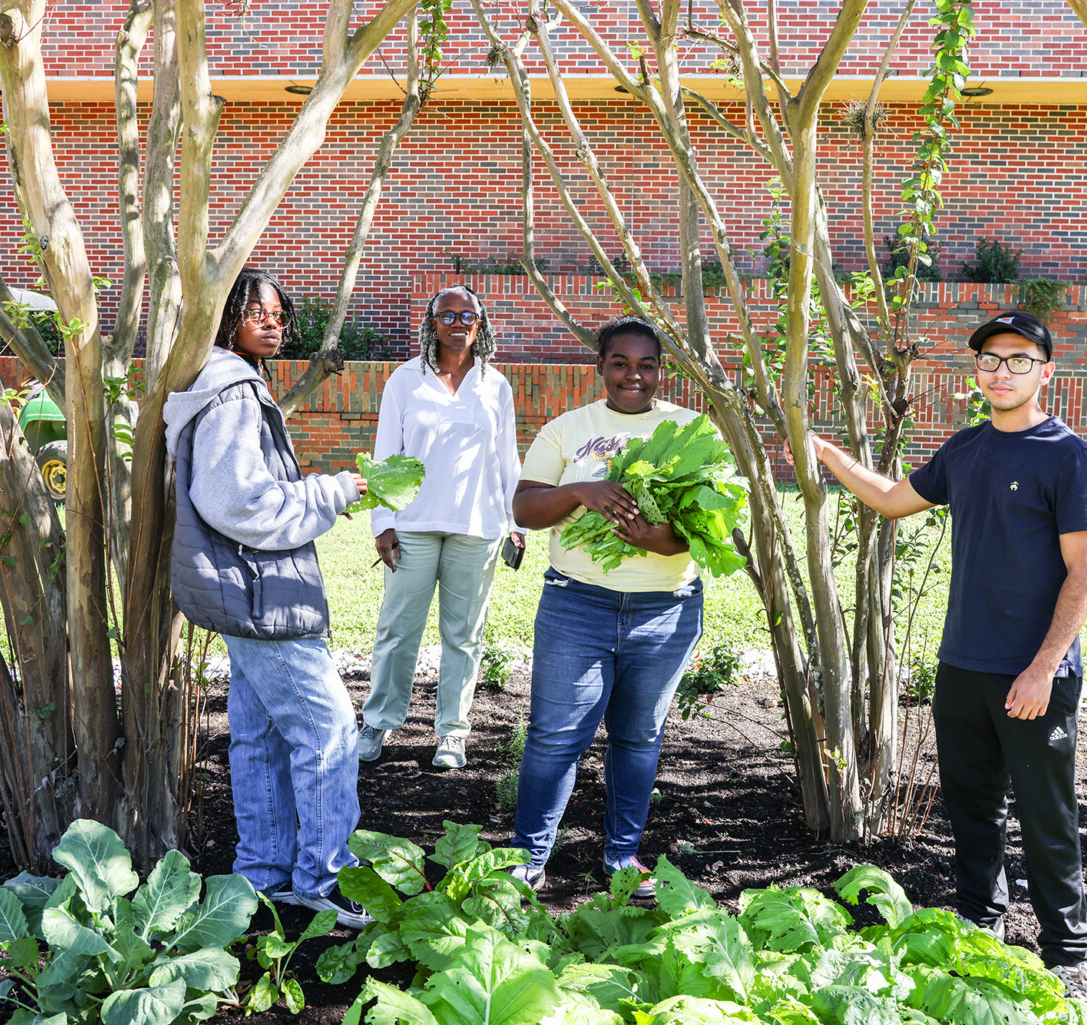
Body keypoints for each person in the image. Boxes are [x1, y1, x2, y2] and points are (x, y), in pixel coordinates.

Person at [793, 310, 1087, 1018]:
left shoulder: (1068, 456)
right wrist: (824, 451)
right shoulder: (965, 451)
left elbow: (1084, 572)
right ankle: (980, 930)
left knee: (1045, 816)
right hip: (962, 666)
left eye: (1019, 359)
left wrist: (1044, 667)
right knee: (973, 811)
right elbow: (888, 499)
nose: (1002, 371)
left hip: (1033, 672)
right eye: (990, 360)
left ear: (1046, 371)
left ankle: (1069, 957)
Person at [165, 267, 370, 928]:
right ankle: (322, 875)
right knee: (329, 729)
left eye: (280, 313)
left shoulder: (221, 384)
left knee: (259, 736)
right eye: (259, 311)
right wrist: (329, 493)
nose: (275, 323)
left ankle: (263, 871)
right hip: (260, 593)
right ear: (227, 316)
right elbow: (237, 500)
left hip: (239, 588)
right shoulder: (231, 393)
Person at [506, 316, 704, 899]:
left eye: (646, 365)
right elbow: (524, 508)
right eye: (620, 363)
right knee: (555, 737)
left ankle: (620, 858)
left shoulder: (691, 431)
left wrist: (650, 539)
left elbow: (705, 530)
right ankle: (528, 858)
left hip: (664, 610)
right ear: (601, 367)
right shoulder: (569, 429)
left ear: (660, 370)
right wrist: (580, 492)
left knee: (638, 738)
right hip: (576, 605)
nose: (633, 375)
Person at [356, 285, 525, 770]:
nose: (457, 323)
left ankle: (452, 733)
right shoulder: (405, 380)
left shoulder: (495, 384)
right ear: (432, 323)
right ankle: (377, 724)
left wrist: (517, 522)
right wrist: (382, 523)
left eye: (466, 315)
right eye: (447, 315)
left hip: (477, 527)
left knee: (464, 635)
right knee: (397, 630)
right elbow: (387, 454)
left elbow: (506, 459)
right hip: (412, 525)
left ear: (480, 325)